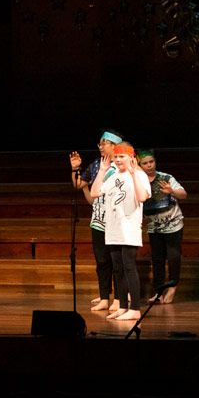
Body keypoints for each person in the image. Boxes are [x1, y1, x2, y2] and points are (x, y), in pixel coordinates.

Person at [90, 143, 150, 322]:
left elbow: (142, 197)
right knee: (118, 269)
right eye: (116, 156)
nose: (118, 159)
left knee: (129, 266)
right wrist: (102, 171)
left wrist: (133, 174)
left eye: (122, 156)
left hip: (129, 229)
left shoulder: (139, 175)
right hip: (113, 229)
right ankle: (123, 306)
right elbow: (94, 193)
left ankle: (135, 308)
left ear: (131, 158)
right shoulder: (112, 176)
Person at [70, 130, 123, 312]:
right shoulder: (95, 165)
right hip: (98, 221)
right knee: (102, 261)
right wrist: (75, 169)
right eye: (100, 144)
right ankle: (104, 297)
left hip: (116, 221)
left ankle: (119, 297)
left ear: (114, 146)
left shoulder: (121, 164)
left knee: (117, 261)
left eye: (104, 143)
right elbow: (79, 184)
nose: (100, 147)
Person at [139, 149, 188, 304]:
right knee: (157, 259)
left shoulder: (165, 177)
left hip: (173, 224)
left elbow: (183, 194)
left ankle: (173, 286)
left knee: (173, 256)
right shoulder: (138, 181)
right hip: (154, 226)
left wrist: (171, 191)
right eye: (145, 163)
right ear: (139, 165)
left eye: (151, 162)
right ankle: (159, 291)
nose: (149, 165)